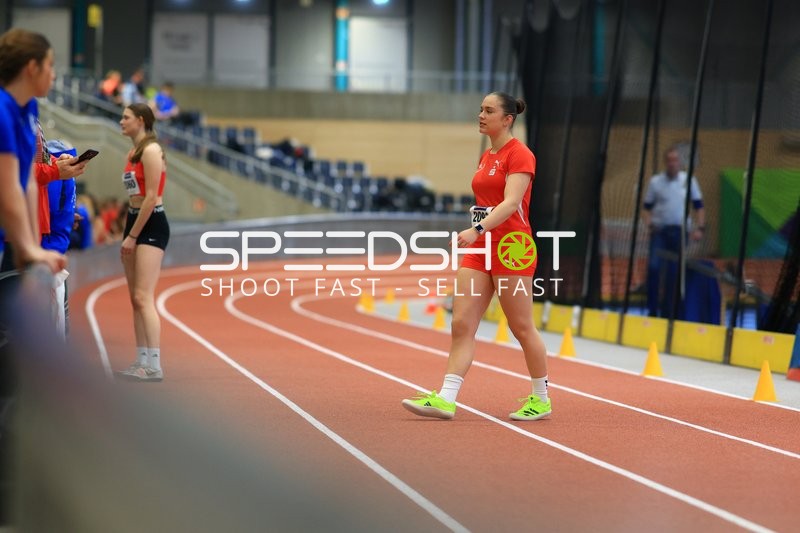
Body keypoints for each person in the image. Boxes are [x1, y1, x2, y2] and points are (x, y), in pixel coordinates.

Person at [401, 92, 551, 421]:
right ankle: (446, 398)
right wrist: (479, 234)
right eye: (480, 110)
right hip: (481, 249)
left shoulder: (520, 155)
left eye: (489, 111)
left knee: (521, 326)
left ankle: (541, 398)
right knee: (461, 323)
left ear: (507, 119)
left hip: (512, 248)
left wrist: (477, 230)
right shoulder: (488, 156)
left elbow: (511, 203)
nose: (481, 115)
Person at [0, 28, 66, 276]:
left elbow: (27, 180)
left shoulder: (29, 108)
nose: (54, 74)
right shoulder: (2, 111)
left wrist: (32, 244)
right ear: (32, 67)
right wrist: (27, 248)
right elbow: (7, 187)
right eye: (50, 65)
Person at [115, 103, 170, 382]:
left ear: (140, 120)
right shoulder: (132, 152)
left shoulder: (151, 151)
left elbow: (150, 197)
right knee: (134, 299)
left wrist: (133, 236)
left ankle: (155, 364)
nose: (121, 121)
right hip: (135, 221)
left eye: (125, 117)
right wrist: (127, 231)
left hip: (151, 225)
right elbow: (133, 198)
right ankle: (141, 359)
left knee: (143, 296)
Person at [642, 147, 706, 318]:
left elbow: (699, 206)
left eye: (675, 160)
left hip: (680, 233)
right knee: (654, 268)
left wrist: (700, 228)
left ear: (680, 163)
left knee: (673, 273)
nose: (672, 164)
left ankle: (668, 311)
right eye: (669, 160)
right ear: (665, 162)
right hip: (660, 232)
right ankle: (652, 309)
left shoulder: (689, 181)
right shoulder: (656, 182)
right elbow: (646, 208)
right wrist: (649, 224)